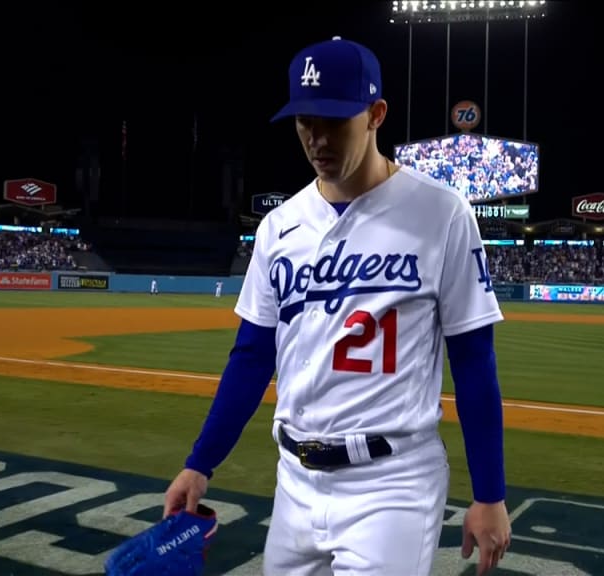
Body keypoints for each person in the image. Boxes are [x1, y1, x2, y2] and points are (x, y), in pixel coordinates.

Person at [163, 36, 511, 576]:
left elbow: (473, 360)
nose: (316, 138)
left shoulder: (442, 214)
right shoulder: (280, 227)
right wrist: (199, 464)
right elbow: (252, 356)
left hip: (392, 483)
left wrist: (490, 494)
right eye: (305, 120)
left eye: (333, 121)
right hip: (295, 480)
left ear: (376, 115)